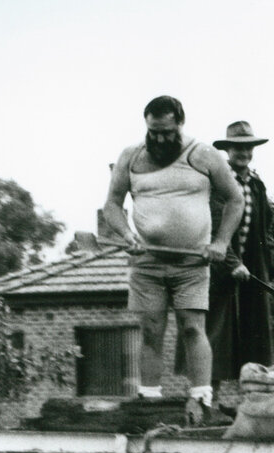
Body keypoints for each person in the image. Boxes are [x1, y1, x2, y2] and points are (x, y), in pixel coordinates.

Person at [102, 96, 244, 419]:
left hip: (192, 263)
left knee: (193, 328)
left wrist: (221, 242)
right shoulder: (130, 156)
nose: (160, 139)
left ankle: (202, 400)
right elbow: (112, 204)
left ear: (180, 123)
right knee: (151, 330)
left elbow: (235, 200)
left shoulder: (203, 154)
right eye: (154, 132)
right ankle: (149, 402)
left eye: (167, 132)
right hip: (147, 263)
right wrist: (126, 234)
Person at [204, 121, 274, 385]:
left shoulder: (257, 185)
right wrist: (232, 263)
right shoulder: (218, 182)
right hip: (221, 267)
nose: (244, 153)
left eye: (248, 148)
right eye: (238, 148)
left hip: (252, 269)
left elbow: (265, 229)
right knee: (217, 332)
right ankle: (208, 398)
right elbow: (214, 226)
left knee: (254, 333)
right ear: (228, 150)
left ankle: (251, 397)